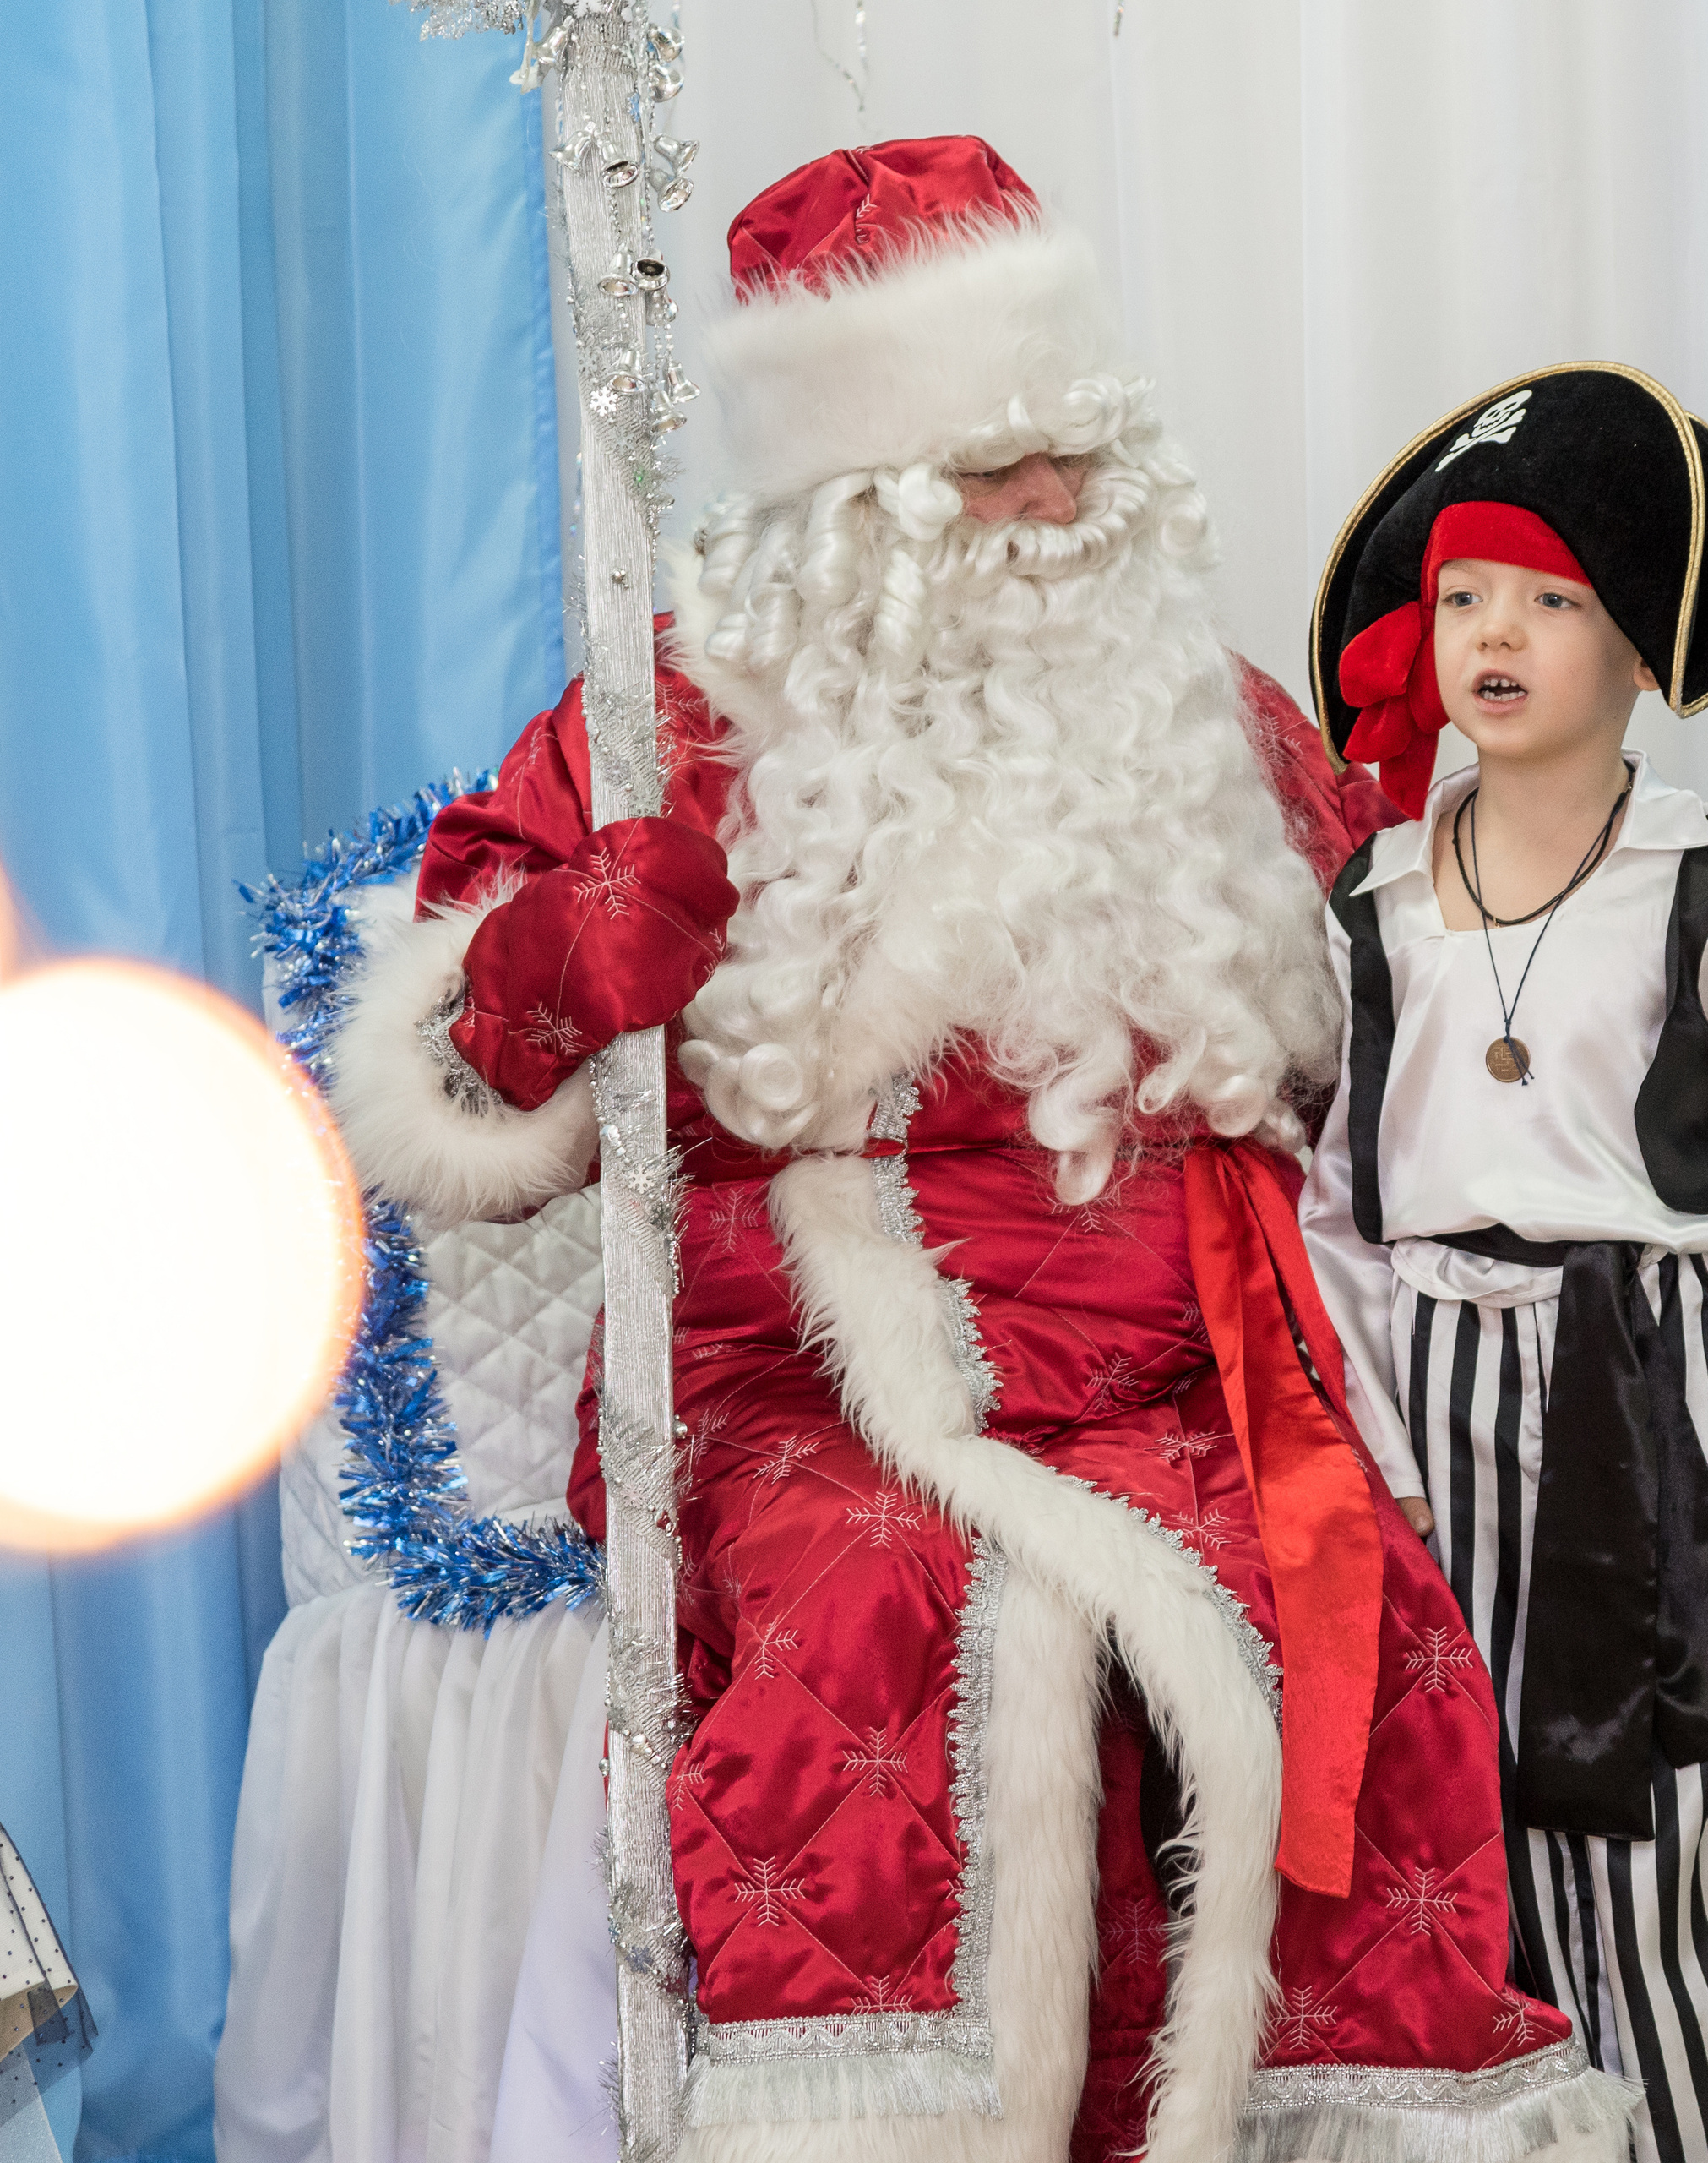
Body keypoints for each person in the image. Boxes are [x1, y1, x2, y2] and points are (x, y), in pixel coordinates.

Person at [328, 142, 1634, 2163]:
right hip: (820, 1351)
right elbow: (456, 1099)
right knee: (898, 1594)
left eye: (1078, 457)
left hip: (1186, 1344)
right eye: (990, 470)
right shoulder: (655, 720)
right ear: (846, 507)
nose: (1051, 514)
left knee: (1343, 1600)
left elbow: (1409, 1023)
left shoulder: (1210, 722)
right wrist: (549, 966)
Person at [1300, 364, 1708, 2163]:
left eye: (1553, 602)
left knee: (1682, 1776)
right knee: (1457, 1771)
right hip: (1432, 1382)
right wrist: (1362, 1424)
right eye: (1468, 595)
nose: (1497, 634)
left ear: (1637, 648)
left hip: (1651, 1376)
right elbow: (1331, 1181)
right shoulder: (1374, 892)